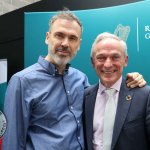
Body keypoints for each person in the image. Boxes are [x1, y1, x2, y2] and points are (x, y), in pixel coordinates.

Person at [2, 11, 146, 150]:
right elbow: (12, 141)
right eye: (59, 35)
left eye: (72, 38)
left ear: (78, 44)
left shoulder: (81, 79)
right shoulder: (22, 81)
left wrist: (133, 79)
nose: (65, 43)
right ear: (47, 37)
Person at [83, 32, 150, 150]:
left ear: (125, 60)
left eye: (115, 57)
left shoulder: (145, 96)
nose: (108, 64)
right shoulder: (84, 97)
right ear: (93, 62)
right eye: (101, 58)